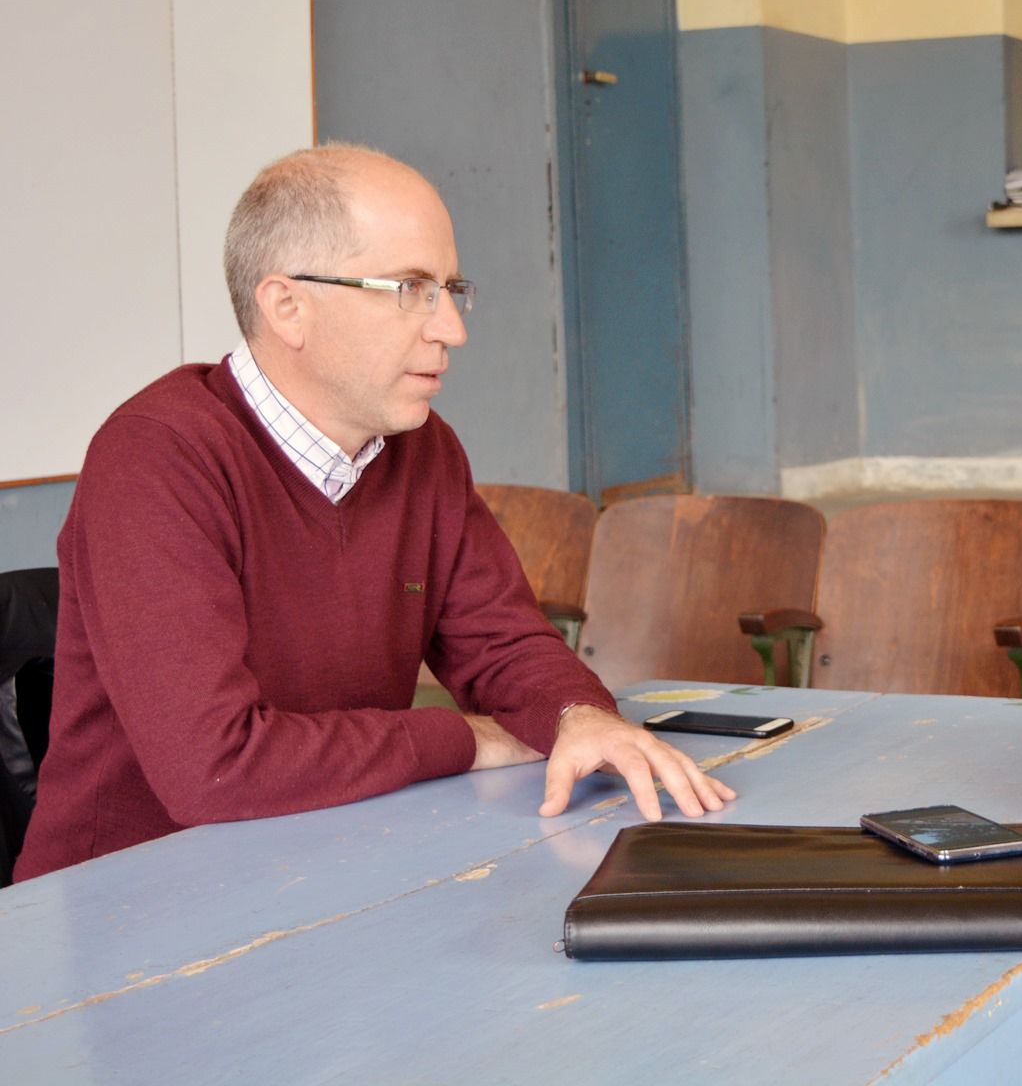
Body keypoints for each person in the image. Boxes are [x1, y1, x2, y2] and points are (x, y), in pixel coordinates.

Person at [15, 145, 733, 881]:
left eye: (451, 290)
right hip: (131, 901)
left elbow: (503, 644)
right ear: (287, 306)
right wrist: (467, 739)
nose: (451, 329)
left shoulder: (421, 448)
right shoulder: (156, 457)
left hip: (327, 860)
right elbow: (217, 767)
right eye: (411, 289)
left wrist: (576, 716)